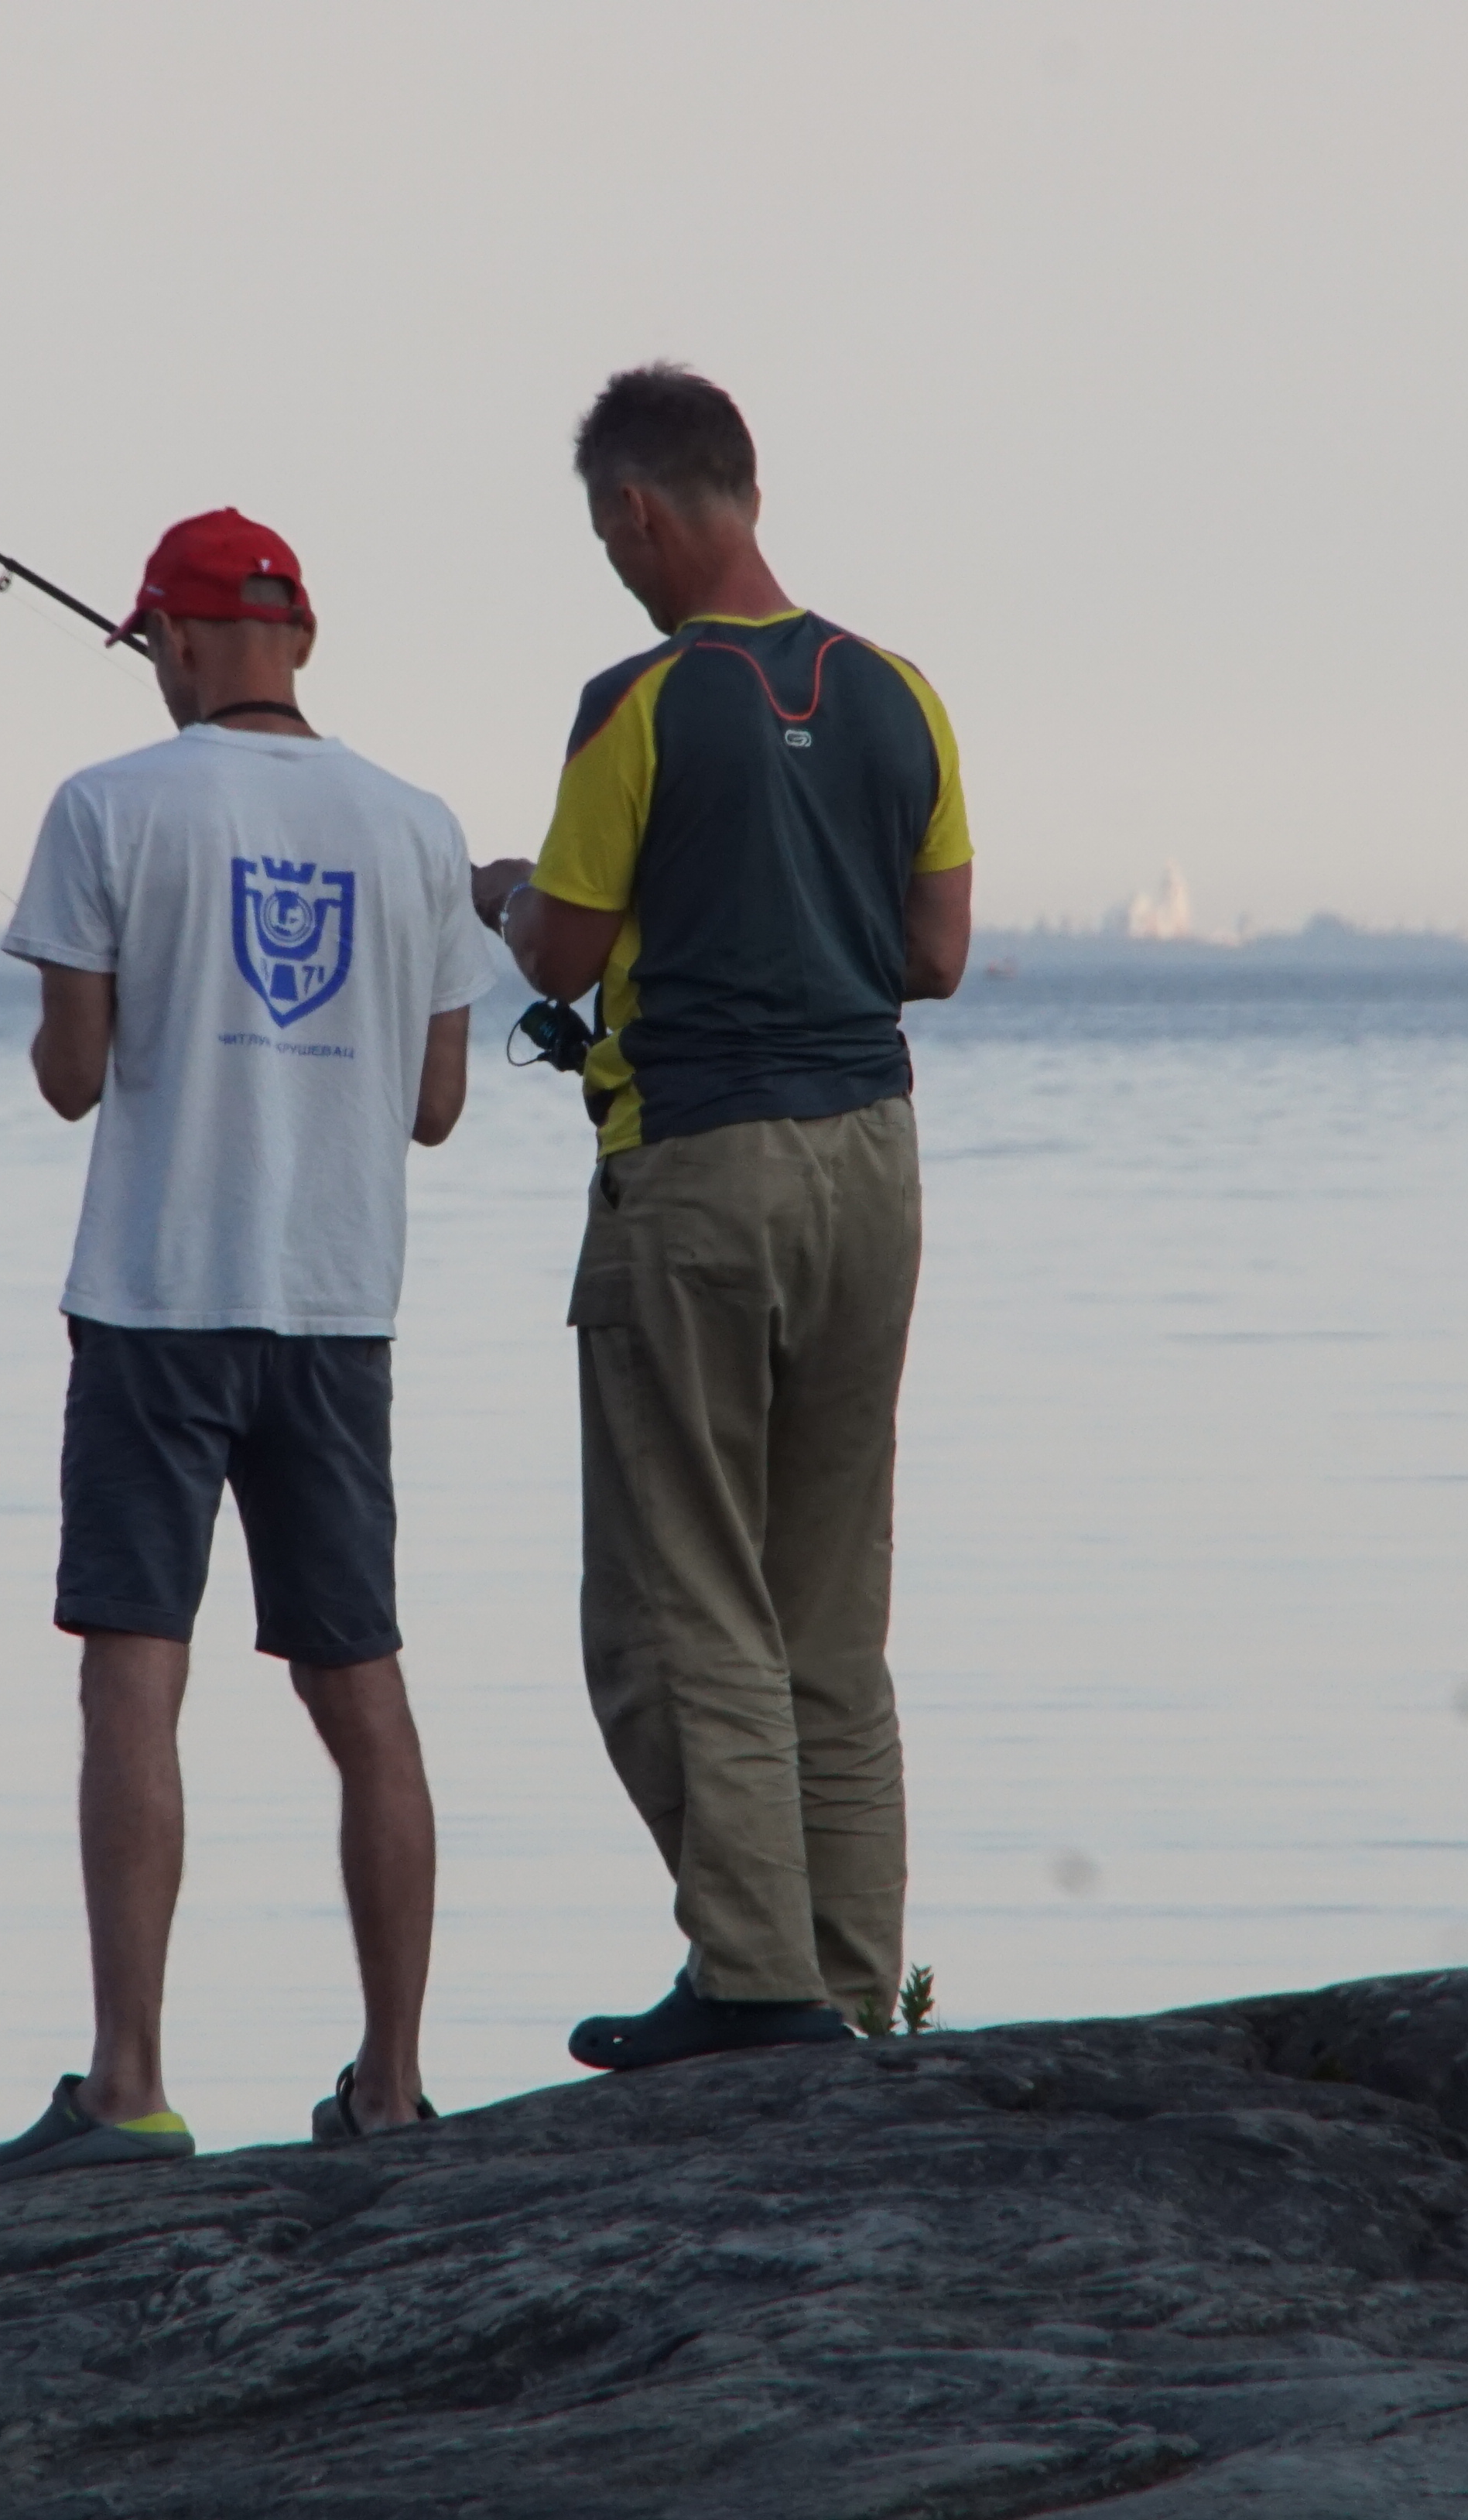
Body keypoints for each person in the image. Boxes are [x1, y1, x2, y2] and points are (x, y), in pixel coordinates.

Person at [0, 506, 499, 2185]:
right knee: (363, 1686)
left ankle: (131, 2088)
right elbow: (435, 1106)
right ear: (303, 639)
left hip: (156, 1302)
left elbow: (72, 1079)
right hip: (338, 1310)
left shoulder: (107, 806)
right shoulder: (420, 827)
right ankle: (395, 2088)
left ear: (181, 638)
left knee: (137, 1671)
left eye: (153, 641)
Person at [470, 367, 973, 2070]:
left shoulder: (638, 704)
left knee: (678, 1598)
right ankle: (850, 1983)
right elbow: (936, 956)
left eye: (607, 534)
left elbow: (557, 953)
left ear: (639, 510)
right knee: (832, 1608)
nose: (615, 563)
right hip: (875, 1165)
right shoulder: (900, 693)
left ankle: (754, 1979)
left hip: (699, 1171)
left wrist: (504, 892)